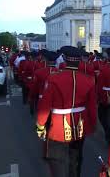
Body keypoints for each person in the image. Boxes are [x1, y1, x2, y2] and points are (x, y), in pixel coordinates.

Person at [36, 46, 97, 177]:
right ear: (80, 61)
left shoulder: (54, 78)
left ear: (64, 59)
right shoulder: (88, 80)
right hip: (80, 125)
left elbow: (45, 106)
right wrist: (92, 125)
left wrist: (41, 126)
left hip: (58, 127)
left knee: (58, 161)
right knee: (75, 158)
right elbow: (92, 107)